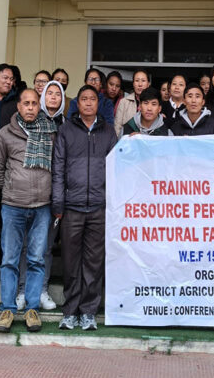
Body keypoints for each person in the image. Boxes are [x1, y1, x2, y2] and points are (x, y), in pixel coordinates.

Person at [0, 89, 58, 333]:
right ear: (18, 106)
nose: (30, 107)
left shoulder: (51, 132)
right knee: (9, 260)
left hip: (42, 207)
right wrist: (11, 189)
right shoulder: (5, 135)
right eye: (26, 103)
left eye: (34, 103)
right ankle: (8, 308)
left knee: (36, 259)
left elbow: (57, 166)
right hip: (13, 206)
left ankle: (32, 308)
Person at [53, 85, 117, 330]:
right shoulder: (66, 131)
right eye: (84, 99)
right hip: (72, 207)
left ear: (98, 104)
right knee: (71, 262)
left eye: (93, 99)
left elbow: (115, 169)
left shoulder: (108, 132)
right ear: (77, 104)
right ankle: (70, 311)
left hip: (100, 207)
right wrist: (59, 202)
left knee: (93, 262)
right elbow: (58, 170)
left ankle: (88, 312)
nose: (88, 103)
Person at [113, 69, 150, 136]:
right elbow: (117, 127)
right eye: (137, 81)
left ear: (148, 84)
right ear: (133, 83)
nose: (140, 84)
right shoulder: (124, 102)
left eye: (143, 81)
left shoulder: (154, 103)